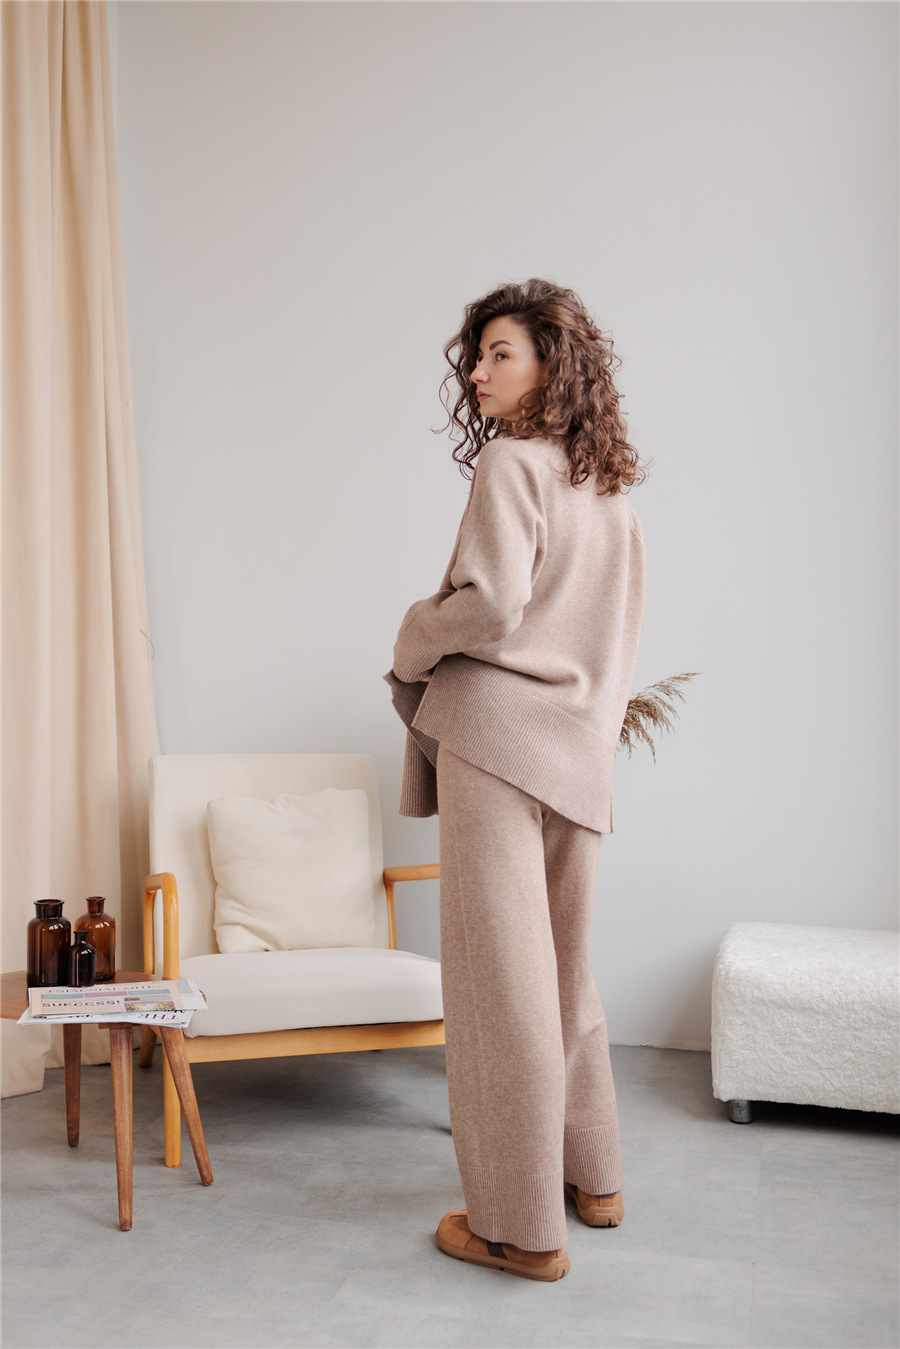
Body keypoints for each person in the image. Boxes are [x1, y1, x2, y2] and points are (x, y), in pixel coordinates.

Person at [385, 278, 646, 1282]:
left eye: (501, 353)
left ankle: (517, 1226)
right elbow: (616, 643)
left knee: (500, 987)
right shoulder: (608, 488)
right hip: (579, 751)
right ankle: (595, 1176)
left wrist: (413, 634)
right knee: (567, 969)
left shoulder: (511, 463)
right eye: (476, 356)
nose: (479, 373)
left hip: (496, 743)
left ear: (551, 363)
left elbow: (489, 604)